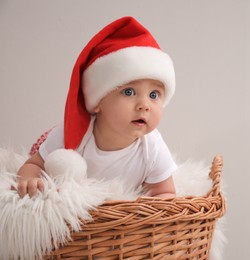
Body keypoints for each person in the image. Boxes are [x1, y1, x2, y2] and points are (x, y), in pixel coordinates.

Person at [16, 16, 177, 198]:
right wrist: (30, 178)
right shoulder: (73, 134)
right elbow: (34, 164)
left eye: (154, 95)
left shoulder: (152, 148)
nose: (144, 105)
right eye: (129, 92)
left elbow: (165, 193)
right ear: (99, 100)